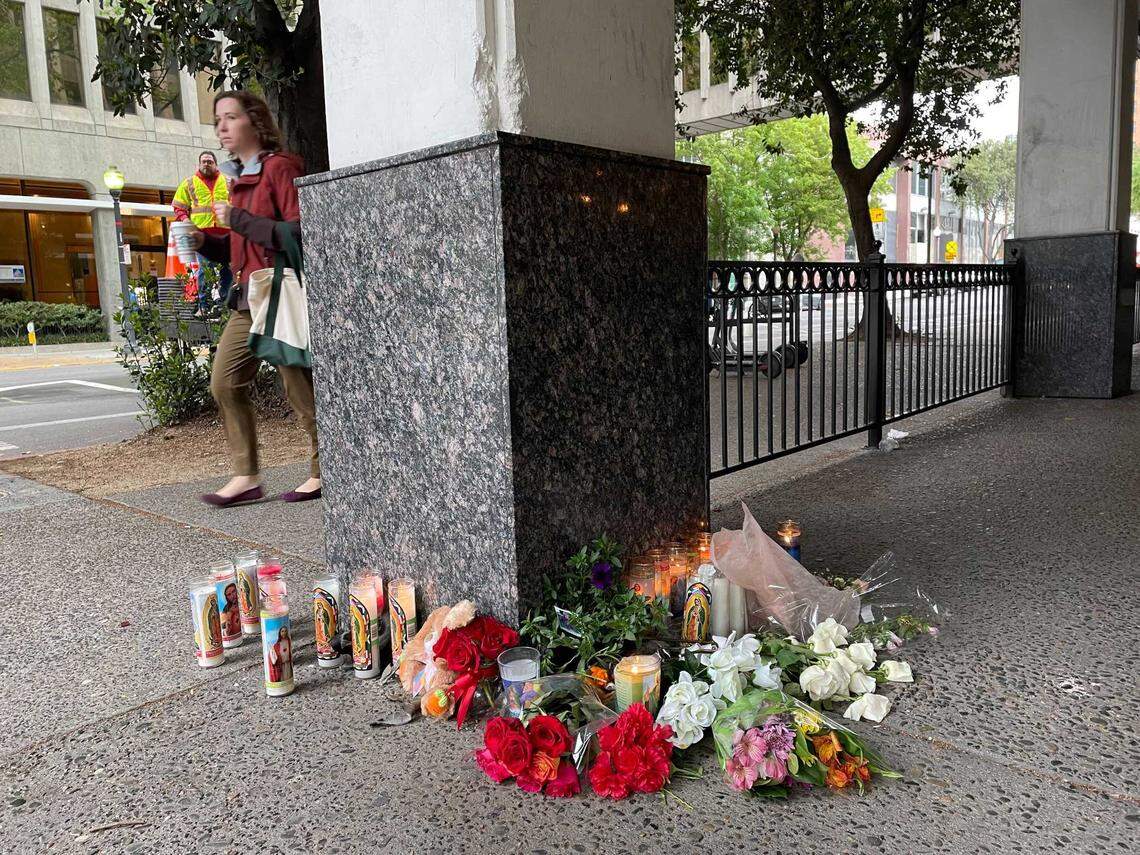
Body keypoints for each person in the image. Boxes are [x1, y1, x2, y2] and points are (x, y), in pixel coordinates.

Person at [188, 91, 320, 507]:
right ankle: (246, 475)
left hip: (280, 293)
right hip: (248, 297)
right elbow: (238, 245)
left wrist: (238, 219)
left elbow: (300, 235)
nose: (222, 127)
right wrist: (204, 241)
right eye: (218, 120)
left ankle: (326, 469)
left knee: (300, 389)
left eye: (231, 117)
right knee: (224, 382)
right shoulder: (237, 178)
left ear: (255, 122)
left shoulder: (280, 169)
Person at [172, 151, 232, 314]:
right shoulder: (189, 183)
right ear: (199, 164)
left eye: (210, 161)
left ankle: (223, 300)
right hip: (202, 235)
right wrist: (186, 221)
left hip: (225, 234)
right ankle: (203, 303)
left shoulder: (227, 181)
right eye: (204, 161)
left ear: (215, 164)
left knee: (228, 268)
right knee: (206, 268)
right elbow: (178, 205)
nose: (207, 164)